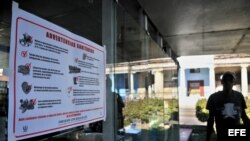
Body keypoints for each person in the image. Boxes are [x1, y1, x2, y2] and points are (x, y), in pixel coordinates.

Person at [206, 71, 250, 141]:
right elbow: (210, 119)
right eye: (225, 80)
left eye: (230, 80)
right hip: (222, 135)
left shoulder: (239, 96)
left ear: (233, 82)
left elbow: (244, 116)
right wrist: (208, 138)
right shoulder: (213, 98)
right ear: (222, 82)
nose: (228, 82)